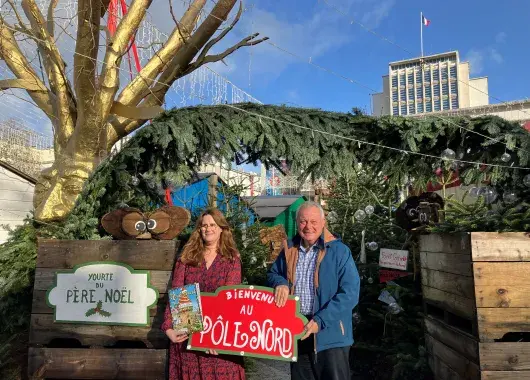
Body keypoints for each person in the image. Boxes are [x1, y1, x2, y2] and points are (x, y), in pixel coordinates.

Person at [267, 201, 360, 380]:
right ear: (297, 223)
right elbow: (273, 274)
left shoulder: (339, 251)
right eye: (303, 221)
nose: (308, 226)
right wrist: (280, 283)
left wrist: (321, 320)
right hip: (298, 329)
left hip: (330, 333)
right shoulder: (289, 249)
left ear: (323, 223)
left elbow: (350, 293)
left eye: (313, 221)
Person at [161, 208, 245, 380]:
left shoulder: (231, 259)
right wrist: (168, 327)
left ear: (222, 228)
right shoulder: (187, 257)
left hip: (218, 340)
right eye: (204, 225)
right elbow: (177, 292)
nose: (208, 229)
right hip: (188, 336)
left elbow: (229, 302)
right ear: (199, 229)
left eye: (213, 224)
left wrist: (215, 338)